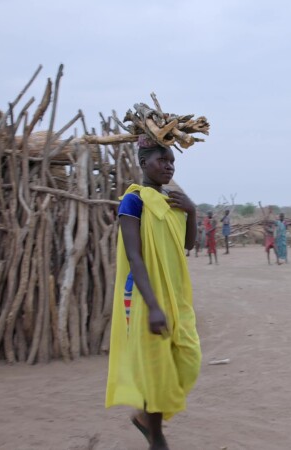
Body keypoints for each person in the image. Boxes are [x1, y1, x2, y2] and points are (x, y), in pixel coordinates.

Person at [106, 136, 202, 450]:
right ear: (144, 163)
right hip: (146, 295)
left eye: (172, 161)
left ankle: (146, 419)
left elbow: (187, 246)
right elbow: (134, 255)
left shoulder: (173, 198)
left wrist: (192, 212)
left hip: (175, 293)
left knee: (189, 358)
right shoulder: (133, 201)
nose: (169, 165)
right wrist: (153, 306)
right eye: (162, 160)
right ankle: (156, 436)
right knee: (157, 366)